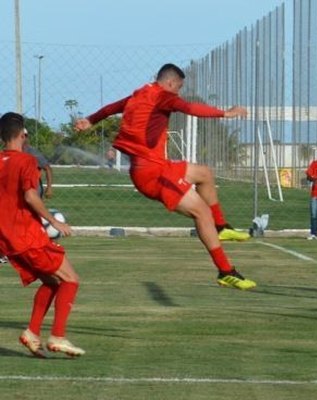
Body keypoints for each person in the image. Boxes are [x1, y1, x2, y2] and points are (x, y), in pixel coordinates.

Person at [74, 63, 255, 290]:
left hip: (159, 166)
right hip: (152, 174)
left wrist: (91, 120)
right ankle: (226, 271)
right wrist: (226, 113)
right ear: (170, 83)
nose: (178, 92)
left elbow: (113, 107)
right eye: (178, 87)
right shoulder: (163, 97)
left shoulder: (140, 94)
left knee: (204, 174)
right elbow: (190, 108)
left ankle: (221, 227)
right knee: (202, 213)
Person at [0, 112, 85, 357]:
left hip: (9, 241)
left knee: (51, 281)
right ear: (22, 134)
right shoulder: (26, 161)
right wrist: (53, 222)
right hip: (29, 238)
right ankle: (58, 336)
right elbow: (29, 195)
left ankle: (31, 333)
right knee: (71, 279)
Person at [23, 133, 53, 199]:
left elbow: (47, 168)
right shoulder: (15, 151)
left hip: (34, 192)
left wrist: (49, 187)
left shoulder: (32, 152)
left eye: (25, 136)